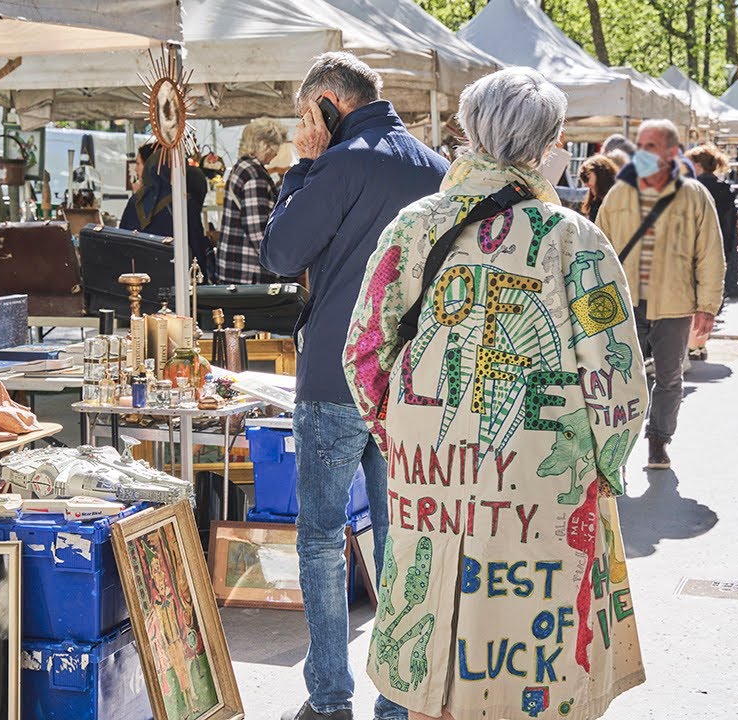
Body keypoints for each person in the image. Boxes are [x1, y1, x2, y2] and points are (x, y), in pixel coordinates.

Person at [344, 65, 648, 720]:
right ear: (548, 143)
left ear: (467, 132)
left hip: (432, 481)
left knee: (436, 672)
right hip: (546, 486)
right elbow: (619, 384)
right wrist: (603, 465)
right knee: (535, 670)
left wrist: (404, 442)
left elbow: (364, 353)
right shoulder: (575, 240)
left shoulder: (412, 228)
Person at [260, 51, 449, 720]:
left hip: (337, 377)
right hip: (414, 385)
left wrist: (303, 166)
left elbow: (280, 253)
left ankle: (330, 698)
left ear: (328, 106)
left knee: (320, 541)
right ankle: (399, 701)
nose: (300, 128)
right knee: (405, 545)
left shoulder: (336, 163)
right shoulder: (438, 168)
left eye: (303, 116)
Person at [596, 119, 724, 470]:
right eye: (642, 145)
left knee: (669, 378)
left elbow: (710, 253)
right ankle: (618, 446)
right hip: (626, 301)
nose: (644, 153)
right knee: (621, 378)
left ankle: (658, 440)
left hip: (675, 302)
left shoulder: (695, 195)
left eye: (652, 146)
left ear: (671, 152)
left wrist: (707, 306)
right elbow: (601, 246)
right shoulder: (619, 194)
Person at [120, 142, 212, 278]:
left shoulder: (136, 201)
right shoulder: (183, 202)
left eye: (138, 164)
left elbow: (122, 243)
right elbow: (197, 247)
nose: (135, 170)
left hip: (141, 282)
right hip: (175, 279)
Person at [214, 119, 287, 284]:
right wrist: (279, 266)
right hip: (248, 273)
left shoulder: (242, 167)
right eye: (276, 147)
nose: (276, 154)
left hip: (232, 267)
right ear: (265, 145)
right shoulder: (255, 175)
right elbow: (258, 232)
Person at [686, 143, 738, 299]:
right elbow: (731, 222)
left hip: (695, 243)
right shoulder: (725, 189)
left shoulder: (692, 189)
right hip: (720, 242)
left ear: (697, 165)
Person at [578, 154, 620, 221]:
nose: (586, 184)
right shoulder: (595, 204)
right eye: (583, 179)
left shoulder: (619, 198)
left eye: (587, 177)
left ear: (601, 174)